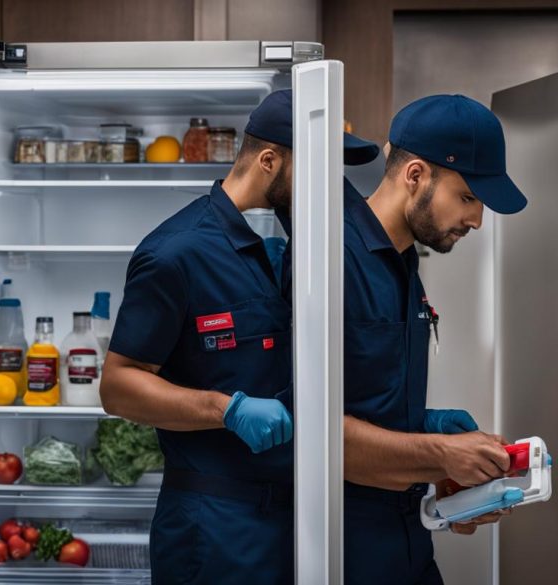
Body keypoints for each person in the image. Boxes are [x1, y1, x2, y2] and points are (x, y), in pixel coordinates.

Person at [100, 89, 378, 585]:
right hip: (213, 526)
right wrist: (225, 410)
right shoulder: (176, 253)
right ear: (269, 160)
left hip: (292, 518)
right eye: (317, 169)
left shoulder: (295, 249)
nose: (330, 187)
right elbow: (118, 386)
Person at [340, 94, 528, 584]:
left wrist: (444, 481)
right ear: (415, 175)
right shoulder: (335, 260)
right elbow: (315, 433)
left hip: (407, 547)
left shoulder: (404, 264)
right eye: (468, 198)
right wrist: (440, 454)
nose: (477, 220)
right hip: (344, 551)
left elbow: (368, 405)